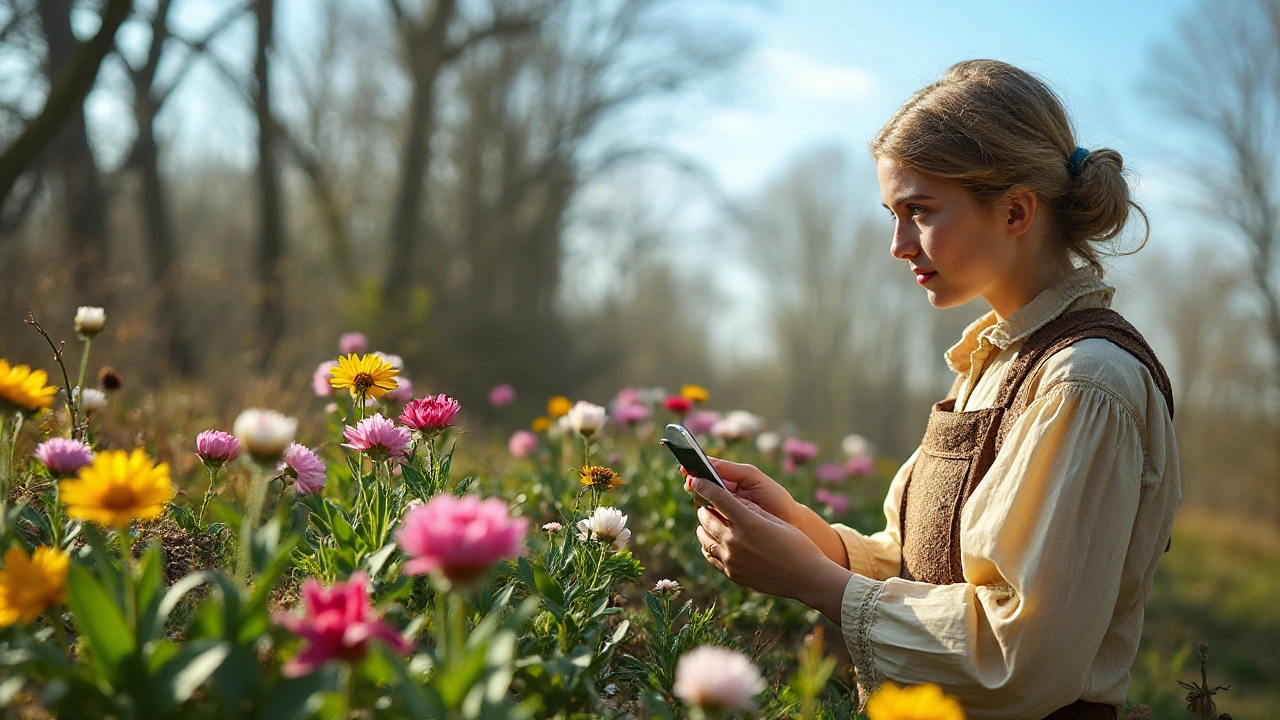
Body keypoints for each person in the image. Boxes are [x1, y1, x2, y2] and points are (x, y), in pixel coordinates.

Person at [688, 59, 1179, 720]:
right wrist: (798, 531)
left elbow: (1018, 656)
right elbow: (916, 572)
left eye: (918, 211)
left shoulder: (1086, 383)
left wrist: (812, 581)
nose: (897, 244)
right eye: (893, 213)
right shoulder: (993, 364)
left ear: (1015, 211)